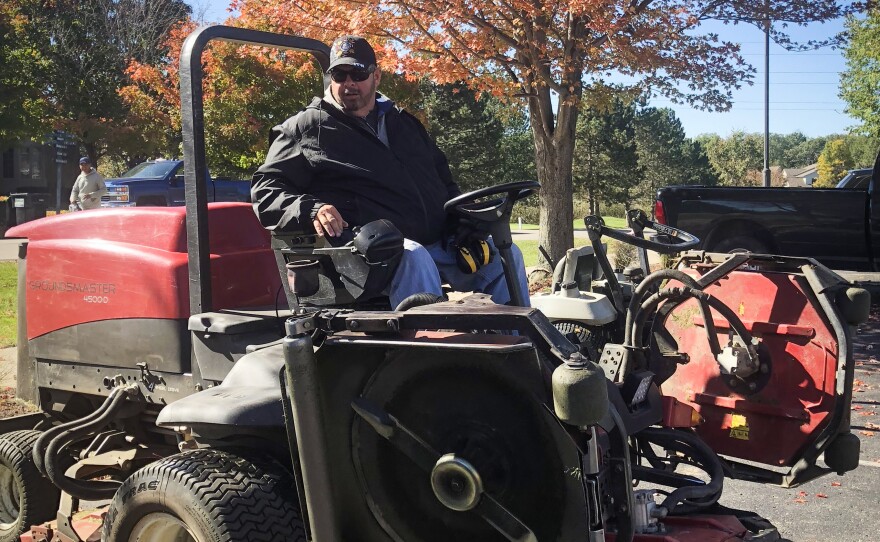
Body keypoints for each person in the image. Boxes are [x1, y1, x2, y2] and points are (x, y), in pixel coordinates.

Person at [251, 35, 529, 309]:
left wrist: (463, 223)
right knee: (415, 256)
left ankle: (519, 347)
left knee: (506, 255)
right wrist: (312, 209)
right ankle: (431, 350)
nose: (348, 82)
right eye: (339, 74)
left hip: (440, 244)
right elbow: (265, 192)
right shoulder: (306, 128)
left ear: (376, 76)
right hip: (370, 255)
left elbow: (444, 182)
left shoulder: (405, 124)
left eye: (357, 73)